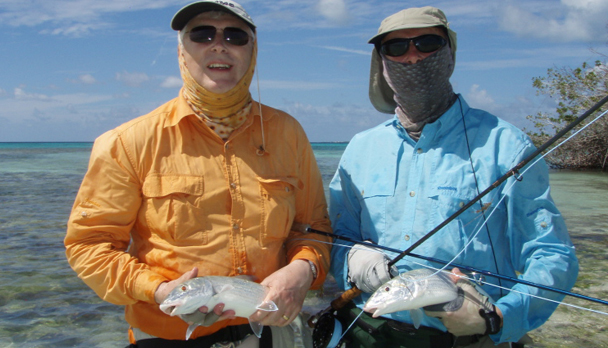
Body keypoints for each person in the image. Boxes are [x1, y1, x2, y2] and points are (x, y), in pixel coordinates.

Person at [64, 1, 332, 347]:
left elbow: (315, 229)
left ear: (253, 51)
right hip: (166, 336)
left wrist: (303, 271)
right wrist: (159, 291)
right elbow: (89, 245)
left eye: (235, 36)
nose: (218, 44)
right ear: (181, 50)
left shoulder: (288, 133)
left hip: (269, 332)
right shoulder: (126, 143)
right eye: (202, 34)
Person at [328, 6, 578, 348]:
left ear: (449, 52)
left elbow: (551, 253)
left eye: (427, 43)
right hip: (366, 333)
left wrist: (498, 317)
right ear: (381, 61)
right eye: (396, 48)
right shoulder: (360, 149)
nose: (413, 58)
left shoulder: (506, 145)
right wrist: (351, 260)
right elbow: (337, 237)